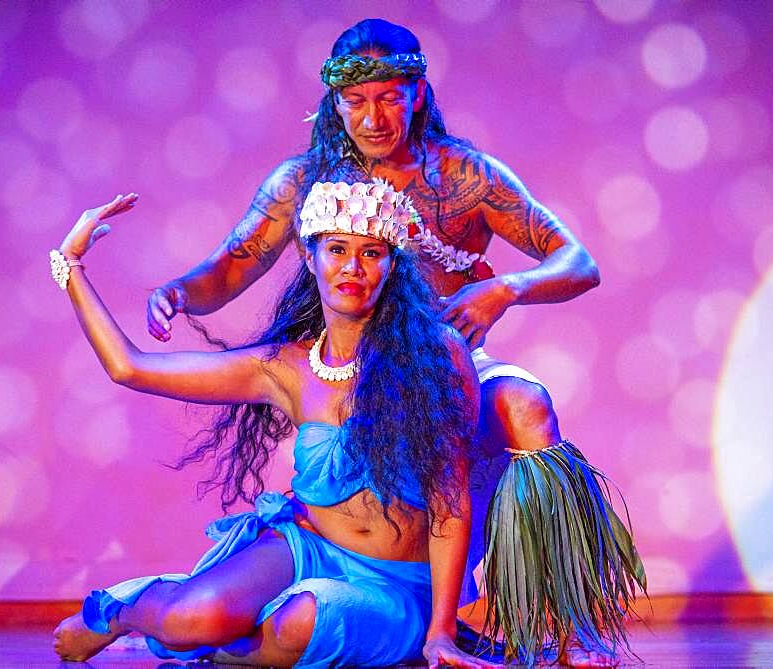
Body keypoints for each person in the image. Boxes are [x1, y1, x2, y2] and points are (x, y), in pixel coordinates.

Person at [144, 18, 644, 666]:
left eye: (388, 96)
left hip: (448, 367)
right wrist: (180, 291)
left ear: (417, 93)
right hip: (352, 374)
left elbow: (576, 260)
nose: (373, 115)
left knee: (526, 405)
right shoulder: (305, 181)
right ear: (334, 103)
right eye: (356, 100)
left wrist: (506, 288)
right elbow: (234, 264)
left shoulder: (464, 175)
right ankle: (363, 611)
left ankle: (566, 626)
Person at [49, 183, 498, 667]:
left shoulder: (436, 354)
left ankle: (231, 633)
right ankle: (125, 612)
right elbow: (130, 367)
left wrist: (442, 633)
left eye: (371, 252)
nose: (352, 267)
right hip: (307, 547)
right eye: (337, 250)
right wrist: (71, 266)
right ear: (310, 258)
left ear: (392, 265)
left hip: (397, 581)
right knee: (192, 620)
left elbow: (449, 504)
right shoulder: (286, 367)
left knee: (298, 623)